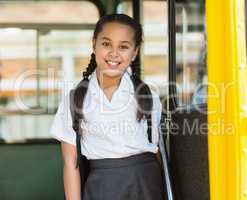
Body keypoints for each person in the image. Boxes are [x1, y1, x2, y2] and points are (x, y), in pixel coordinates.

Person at [50, 14, 164, 200]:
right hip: (102, 186)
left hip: (147, 184)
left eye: (124, 47)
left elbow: (156, 151)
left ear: (134, 53)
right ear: (94, 44)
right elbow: (71, 164)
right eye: (106, 44)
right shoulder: (75, 100)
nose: (114, 53)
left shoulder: (148, 96)